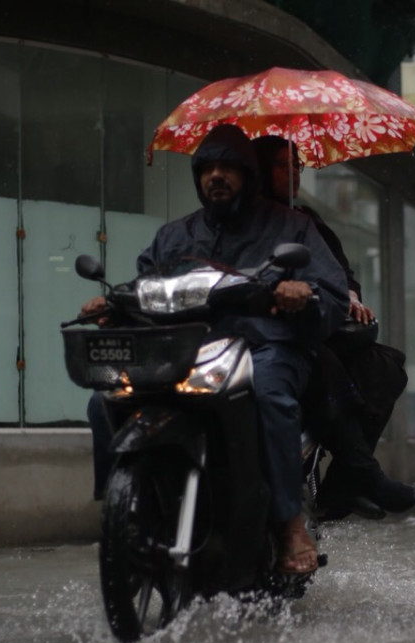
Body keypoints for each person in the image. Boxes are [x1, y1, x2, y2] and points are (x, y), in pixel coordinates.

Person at [81, 124, 350, 574]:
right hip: (185, 353)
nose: (217, 177)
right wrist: (114, 306)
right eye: (208, 168)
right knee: (106, 395)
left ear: (249, 174)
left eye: (229, 167)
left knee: (269, 395)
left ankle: (289, 523)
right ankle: (124, 510)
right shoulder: (173, 236)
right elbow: (146, 285)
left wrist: (303, 292)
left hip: (266, 347)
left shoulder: (293, 226)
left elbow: (334, 295)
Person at [253, 135, 415, 518]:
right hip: (269, 335)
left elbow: (339, 270)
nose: (295, 172)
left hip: (316, 322)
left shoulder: (306, 219)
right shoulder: (243, 220)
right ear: (260, 171)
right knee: (323, 367)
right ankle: (364, 474)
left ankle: (343, 484)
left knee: (384, 368)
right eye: (283, 165)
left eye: (298, 165)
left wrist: (349, 295)